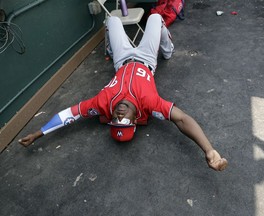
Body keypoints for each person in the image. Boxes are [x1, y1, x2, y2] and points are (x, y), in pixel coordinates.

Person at [18, 14, 228, 171]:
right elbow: (181, 120)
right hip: (147, 59)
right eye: (124, 121)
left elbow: (69, 115)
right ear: (135, 119)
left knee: (112, 20)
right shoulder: (150, 103)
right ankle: (168, 49)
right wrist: (209, 150)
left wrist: (39, 133)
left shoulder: (103, 103)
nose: (119, 116)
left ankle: (110, 48)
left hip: (122, 60)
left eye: (115, 121)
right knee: (155, 17)